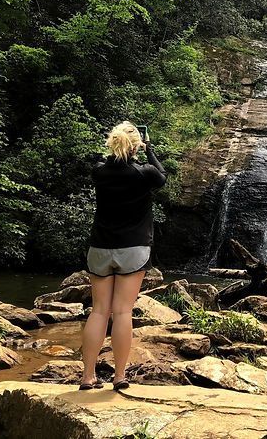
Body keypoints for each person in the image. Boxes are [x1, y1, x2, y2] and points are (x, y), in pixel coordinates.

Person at [80, 122, 166, 391]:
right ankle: (119, 377)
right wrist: (149, 150)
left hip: (100, 248)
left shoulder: (100, 173)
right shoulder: (144, 174)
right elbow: (162, 176)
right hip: (133, 249)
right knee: (123, 311)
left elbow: (99, 162)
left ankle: (87, 377)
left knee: (99, 312)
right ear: (136, 146)